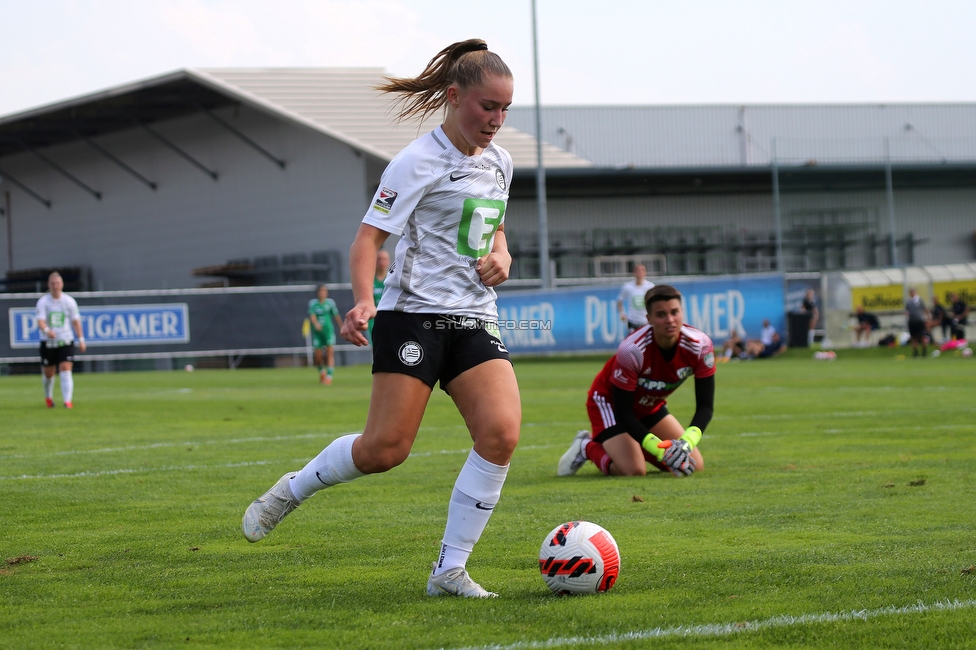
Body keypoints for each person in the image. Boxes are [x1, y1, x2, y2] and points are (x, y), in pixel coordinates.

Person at [242, 39, 519, 599]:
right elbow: (368, 238)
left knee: (501, 435)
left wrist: (503, 256)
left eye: (505, 109)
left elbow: (494, 227)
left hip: (474, 317)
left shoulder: (500, 162)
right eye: (486, 106)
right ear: (454, 96)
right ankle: (293, 489)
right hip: (412, 316)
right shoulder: (417, 161)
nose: (495, 119)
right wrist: (364, 300)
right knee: (384, 451)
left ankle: (449, 572)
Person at [557, 284, 714, 478]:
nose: (670, 320)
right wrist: (659, 449)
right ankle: (587, 446)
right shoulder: (633, 350)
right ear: (649, 319)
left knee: (692, 464)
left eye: (675, 312)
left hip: (648, 406)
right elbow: (623, 412)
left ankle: (633, 448)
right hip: (610, 404)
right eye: (661, 315)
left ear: (683, 312)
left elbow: (705, 407)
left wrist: (685, 444)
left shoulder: (700, 346)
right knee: (634, 470)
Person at [35, 271, 86, 408]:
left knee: (65, 368)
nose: (55, 286)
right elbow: (40, 321)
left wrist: (81, 338)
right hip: (48, 342)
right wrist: (47, 331)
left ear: (62, 284)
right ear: (49, 285)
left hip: (65, 340)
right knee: (49, 373)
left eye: (58, 283)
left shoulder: (69, 301)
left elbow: (76, 321)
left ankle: (67, 401)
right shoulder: (43, 302)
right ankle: (48, 398)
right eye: (53, 283)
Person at [308, 284, 342, 384]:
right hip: (318, 333)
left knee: (329, 353)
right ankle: (322, 371)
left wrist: (341, 327)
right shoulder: (313, 304)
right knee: (318, 356)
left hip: (328, 331)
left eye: (324, 291)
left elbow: (336, 316)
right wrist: (316, 324)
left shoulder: (330, 303)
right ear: (318, 293)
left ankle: (329, 376)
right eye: (320, 291)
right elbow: (312, 316)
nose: (322, 293)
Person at [617, 263, 654, 333]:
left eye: (642, 270)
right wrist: (621, 313)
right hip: (632, 321)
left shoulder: (650, 286)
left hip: (646, 321)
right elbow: (620, 300)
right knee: (634, 342)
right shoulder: (628, 287)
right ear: (634, 273)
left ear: (645, 273)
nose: (640, 273)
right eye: (638, 271)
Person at [367, 249, 391, 343]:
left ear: (388, 261)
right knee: (376, 346)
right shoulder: (370, 280)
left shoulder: (391, 280)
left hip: (389, 317)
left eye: (384, 259)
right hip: (373, 319)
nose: (382, 262)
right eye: (379, 259)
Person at [905, 287, 929, 358]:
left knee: (922, 336)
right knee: (913, 337)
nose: (912, 293)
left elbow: (925, 309)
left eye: (913, 292)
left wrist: (928, 318)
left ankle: (924, 351)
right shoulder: (908, 302)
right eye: (911, 292)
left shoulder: (920, 300)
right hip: (912, 321)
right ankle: (915, 352)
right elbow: (907, 311)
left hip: (919, 321)